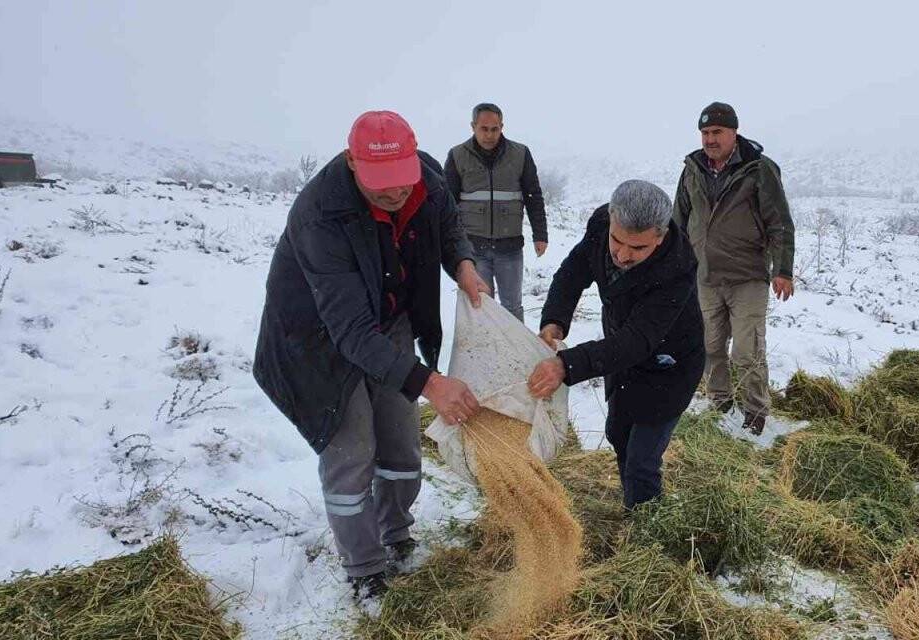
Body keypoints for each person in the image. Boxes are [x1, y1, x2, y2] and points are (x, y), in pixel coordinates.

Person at [252, 110, 489, 602]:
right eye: (381, 186)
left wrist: (463, 266)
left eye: (401, 183)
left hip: (389, 318)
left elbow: (447, 228)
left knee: (401, 441)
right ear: (351, 161)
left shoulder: (428, 178)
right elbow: (350, 331)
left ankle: (396, 533)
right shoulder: (320, 214)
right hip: (318, 339)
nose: (394, 193)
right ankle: (364, 568)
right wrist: (430, 383)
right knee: (352, 448)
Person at [527, 180, 705, 510]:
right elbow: (572, 273)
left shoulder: (677, 268)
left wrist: (566, 365)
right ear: (610, 218)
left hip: (669, 364)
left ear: (660, 236)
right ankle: (633, 502)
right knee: (618, 434)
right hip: (620, 357)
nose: (622, 255)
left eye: (638, 249)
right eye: (617, 241)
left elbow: (637, 340)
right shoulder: (600, 226)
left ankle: (646, 528)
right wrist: (554, 321)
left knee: (642, 459)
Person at [673, 102, 795, 435]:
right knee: (710, 346)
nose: (710, 139)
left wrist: (783, 270)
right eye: (705, 133)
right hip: (706, 277)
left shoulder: (758, 169)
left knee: (746, 350)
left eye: (717, 132)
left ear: (734, 132)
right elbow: (678, 223)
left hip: (747, 277)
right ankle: (720, 403)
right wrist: (672, 267)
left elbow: (779, 223)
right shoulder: (692, 169)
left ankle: (755, 412)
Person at [443, 102, 548, 322]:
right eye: (484, 129)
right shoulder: (457, 156)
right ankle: (484, 354)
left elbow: (533, 195)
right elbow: (447, 204)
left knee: (512, 307)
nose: (490, 135)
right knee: (480, 304)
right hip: (473, 249)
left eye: (495, 129)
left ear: (502, 126)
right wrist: (450, 244)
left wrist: (540, 235)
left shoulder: (520, 154)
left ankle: (516, 353)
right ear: (473, 126)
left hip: (509, 247)